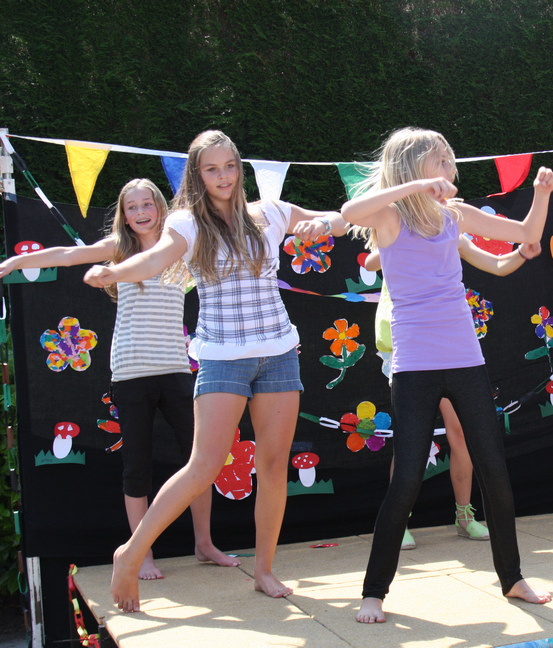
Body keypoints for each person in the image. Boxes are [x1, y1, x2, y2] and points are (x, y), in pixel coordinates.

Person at [83, 130, 341, 612]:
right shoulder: (186, 222)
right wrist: (115, 272)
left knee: (273, 467)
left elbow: (339, 220)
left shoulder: (270, 212)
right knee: (204, 466)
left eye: (229, 166)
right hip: (223, 357)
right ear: (197, 176)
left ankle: (264, 570)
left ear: (239, 168)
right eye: (211, 169)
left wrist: (322, 223)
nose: (222, 177)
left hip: (279, 353)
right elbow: (155, 258)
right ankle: (130, 553)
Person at [341, 127, 553, 623]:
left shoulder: (454, 216)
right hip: (413, 365)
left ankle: (513, 578)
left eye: (450, 163)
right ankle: (374, 592)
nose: (451, 172)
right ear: (414, 167)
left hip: (465, 358)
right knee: (406, 479)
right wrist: (416, 187)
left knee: (494, 469)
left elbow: (524, 236)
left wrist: (542, 195)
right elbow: (350, 212)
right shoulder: (389, 218)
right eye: (442, 162)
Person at [0, 178, 240, 580]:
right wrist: (15, 262)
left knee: (199, 460)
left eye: (147, 204)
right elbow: (68, 254)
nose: (141, 212)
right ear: (124, 216)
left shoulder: (181, 245)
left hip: (175, 370)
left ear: (160, 208)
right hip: (130, 372)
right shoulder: (120, 249)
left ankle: (204, 543)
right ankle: (139, 552)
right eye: (132, 207)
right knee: (137, 465)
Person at [366, 237, 543, 548]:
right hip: (409, 342)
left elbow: (495, 263)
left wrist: (521, 253)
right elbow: (370, 262)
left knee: (460, 431)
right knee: (410, 439)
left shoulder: (451, 231)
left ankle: (464, 516)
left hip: (448, 340)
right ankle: (398, 522)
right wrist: (403, 238)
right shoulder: (398, 229)